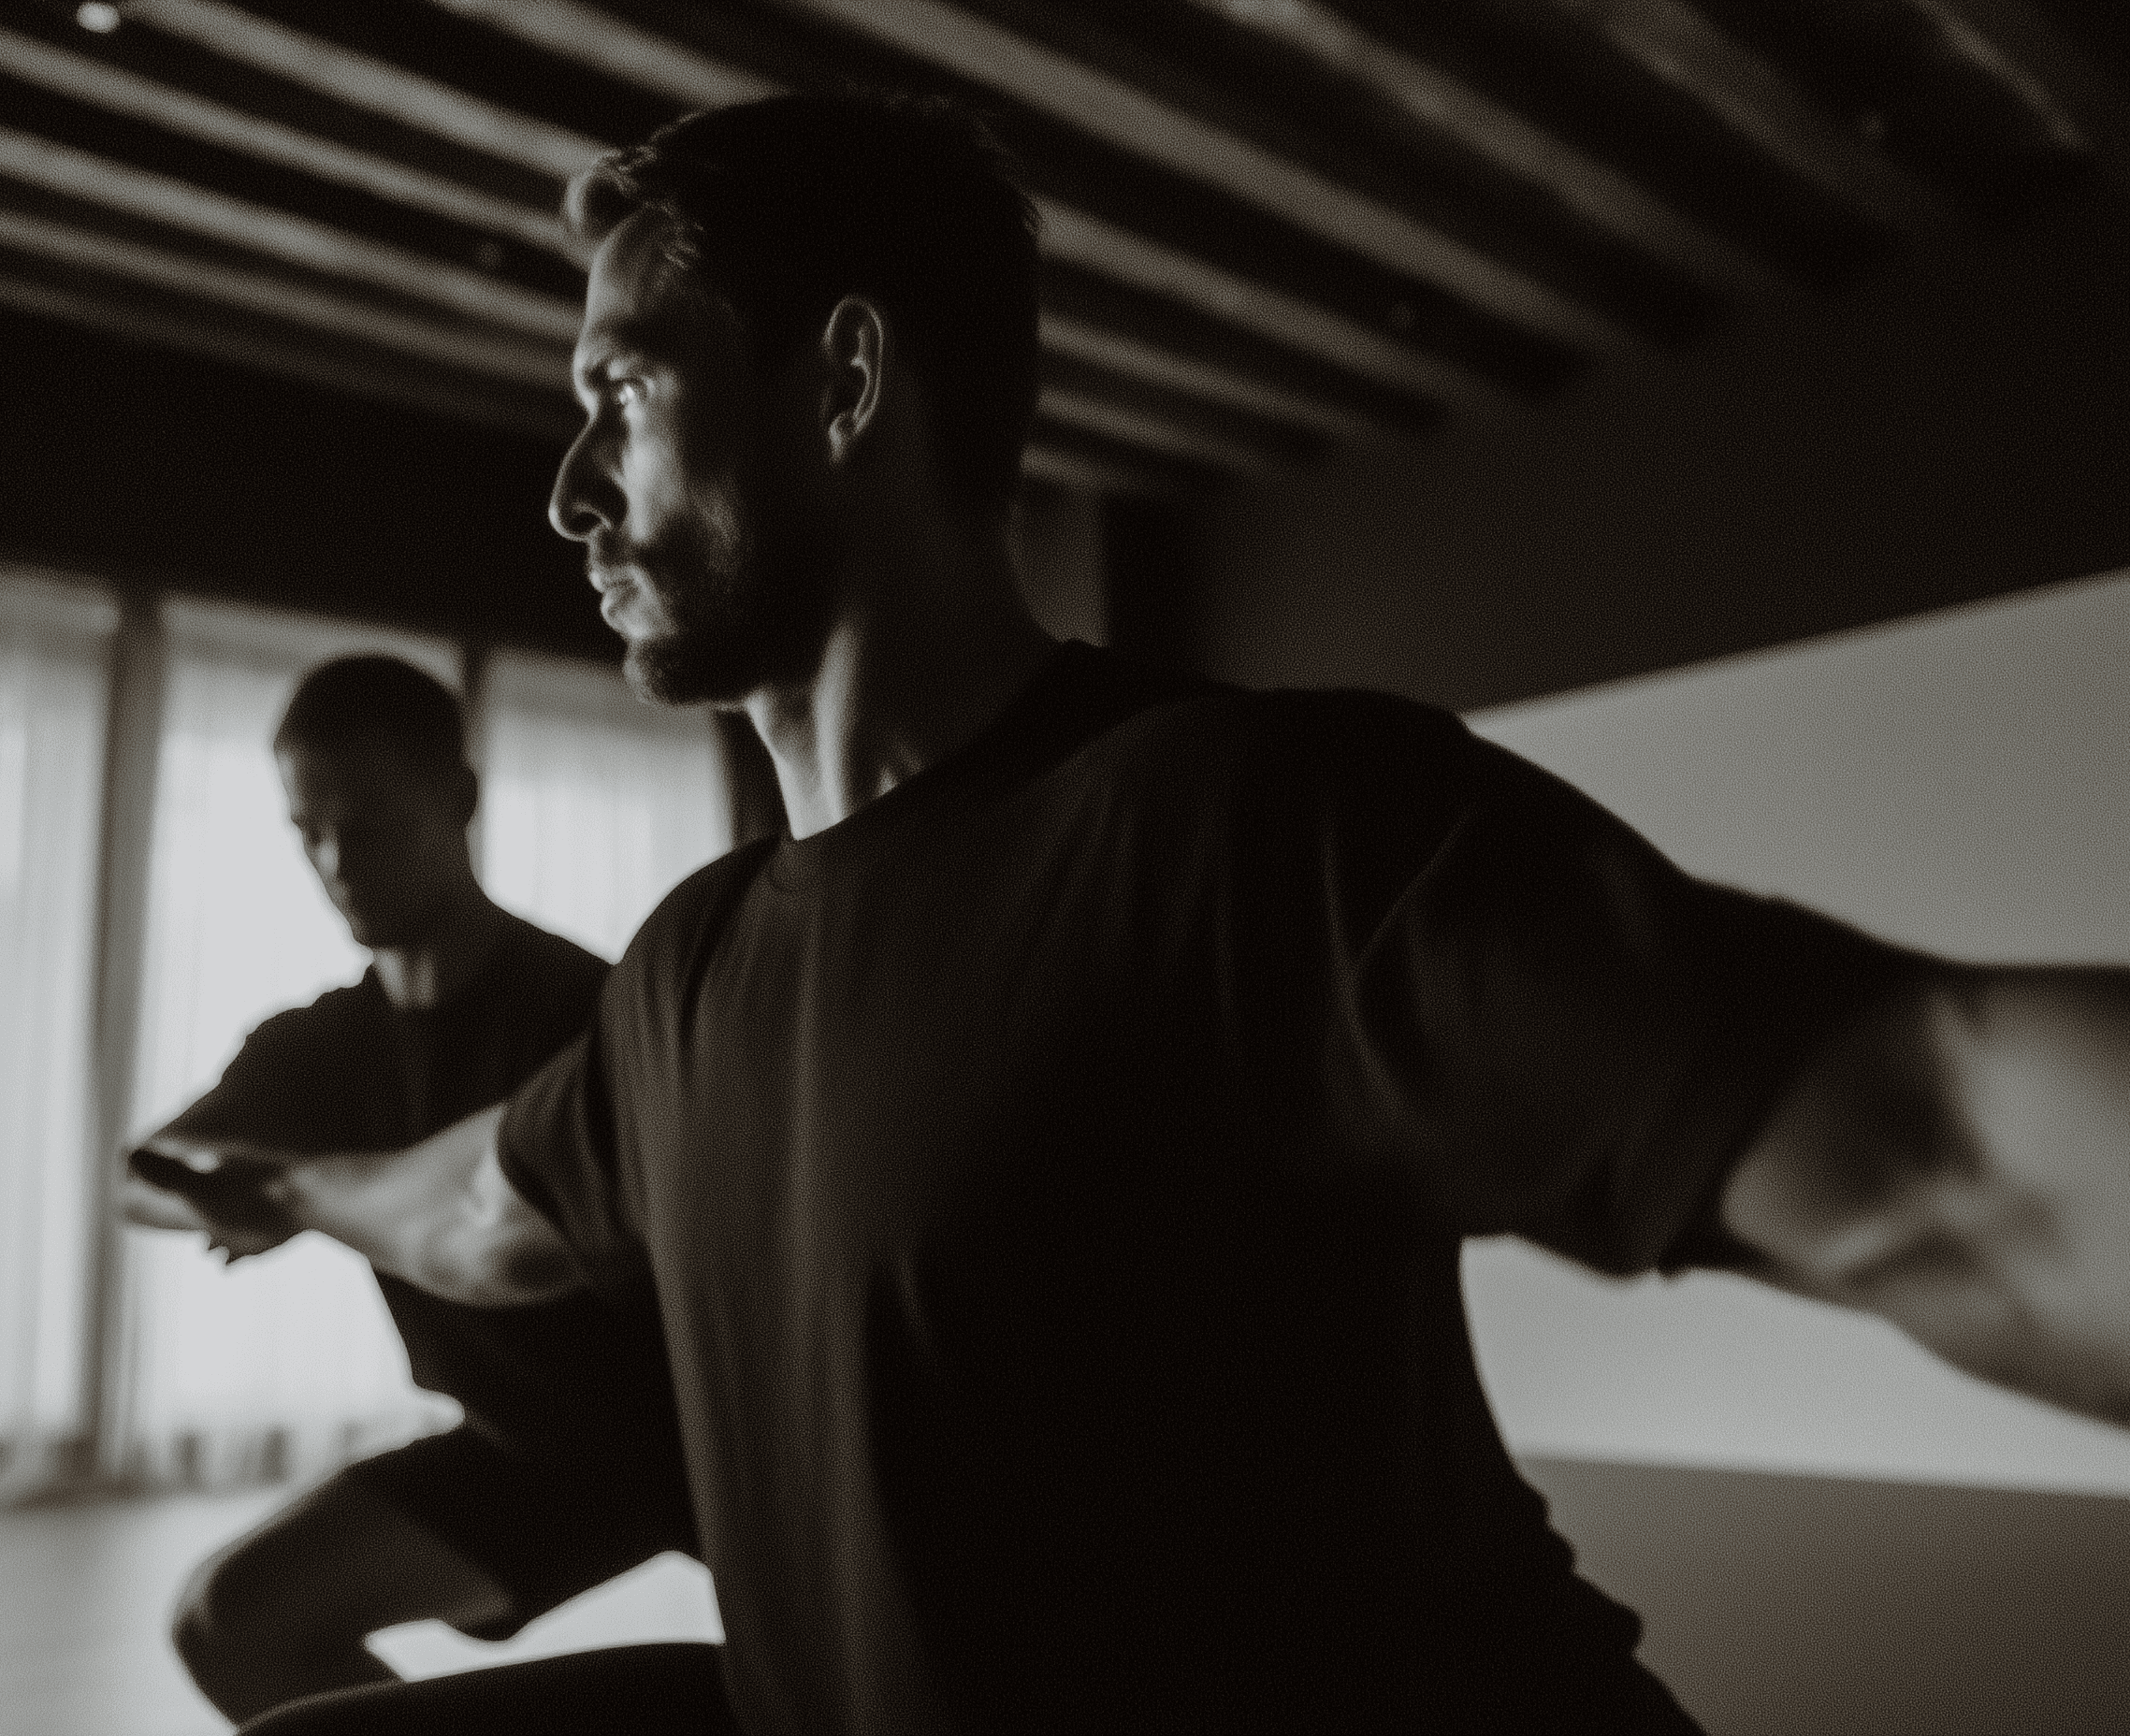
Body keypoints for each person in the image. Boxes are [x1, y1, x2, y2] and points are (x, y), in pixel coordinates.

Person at [209, 97, 2130, 1735]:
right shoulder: (688, 973)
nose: (568, 491)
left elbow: (1950, 1150)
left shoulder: (1239, 828)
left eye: (620, 390)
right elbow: (474, 1207)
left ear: (848, 382)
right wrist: (292, 1186)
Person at [119, 656, 713, 1729]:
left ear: (462, 801)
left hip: (703, 1439)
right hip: (523, 1446)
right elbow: (144, 1172)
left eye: (372, 824)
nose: (338, 861)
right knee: (227, 1619)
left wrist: (296, 1192)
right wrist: (222, 1200)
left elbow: (495, 1234)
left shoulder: (588, 1007)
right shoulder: (319, 1043)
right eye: (308, 830)